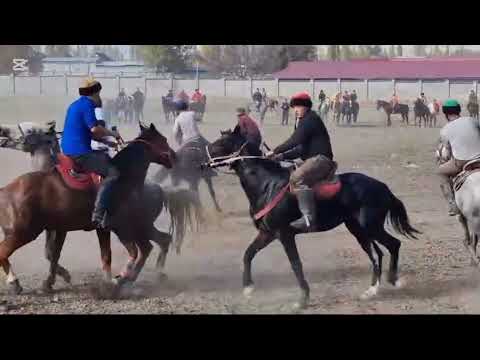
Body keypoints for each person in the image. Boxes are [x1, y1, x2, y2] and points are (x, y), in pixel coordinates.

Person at [266, 92, 336, 232]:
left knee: (296, 177)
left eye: (298, 106)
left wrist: (275, 151)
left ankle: (308, 218)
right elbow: (300, 149)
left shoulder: (310, 119)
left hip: (321, 159)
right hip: (312, 159)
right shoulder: (305, 121)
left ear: (306, 107)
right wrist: (281, 157)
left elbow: (294, 140)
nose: (295, 109)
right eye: (294, 107)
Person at [61, 78, 122, 229]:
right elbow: (95, 129)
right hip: (80, 153)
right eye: (99, 93)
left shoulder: (74, 105)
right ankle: (98, 214)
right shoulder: (88, 105)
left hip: (67, 149)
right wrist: (113, 133)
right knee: (113, 172)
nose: (100, 96)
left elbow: (92, 133)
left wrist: (109, 143)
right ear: (95, 93)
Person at [437, 99, 480, 216]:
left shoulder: (444, 130)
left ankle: (452, 205)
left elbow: (447, 153)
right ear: (459, 110)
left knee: (440, 172)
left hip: (462, 162)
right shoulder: (473, 120)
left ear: (445, 113)